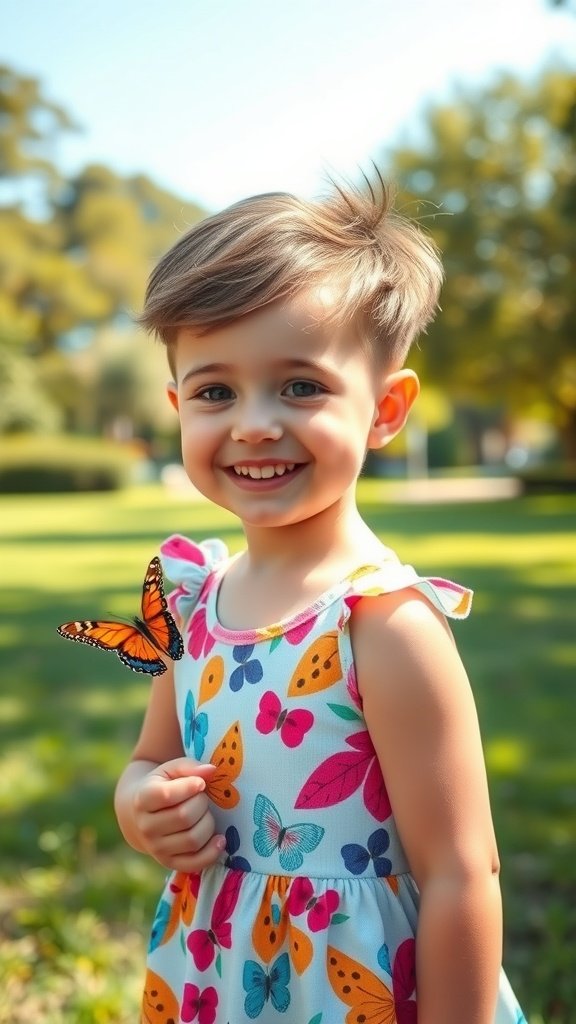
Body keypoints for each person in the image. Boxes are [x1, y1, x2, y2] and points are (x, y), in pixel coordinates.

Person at [114, 176, 526, 1024]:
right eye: (215, 391)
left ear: (385, 409)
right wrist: (140, 808)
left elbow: (460, 872)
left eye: (300, 386)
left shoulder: (383, 622)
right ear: (176, 407)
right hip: (222, 974)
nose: (255, 423)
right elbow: (150, 758)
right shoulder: (191, 602)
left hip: (359, 987)